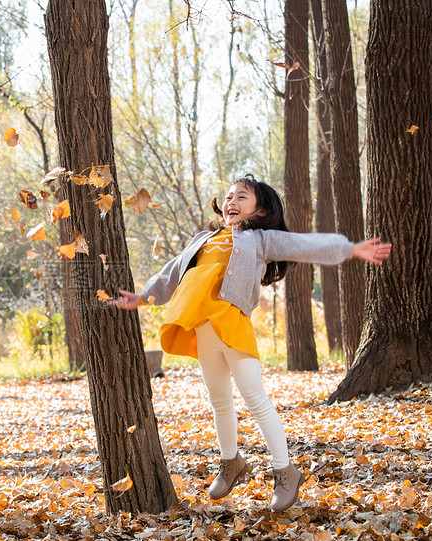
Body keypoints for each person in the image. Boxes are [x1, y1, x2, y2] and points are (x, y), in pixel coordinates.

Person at [108, 174, 391, 511]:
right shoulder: (204, 238)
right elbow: (172, 273)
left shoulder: (258, 239)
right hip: (202, 327)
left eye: (242, 197)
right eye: (229, 196)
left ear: (259, 209)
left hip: (233, 324)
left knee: (256, 400)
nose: (232, 202)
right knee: (219, 401)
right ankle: (231, 463)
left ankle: (285, 471)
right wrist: (143, 297)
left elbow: (302, 244)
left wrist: (348, 249)